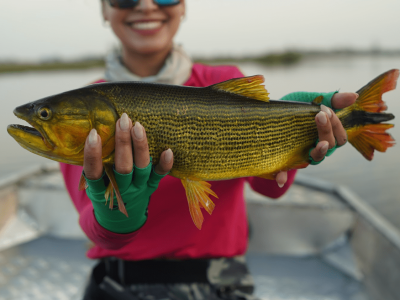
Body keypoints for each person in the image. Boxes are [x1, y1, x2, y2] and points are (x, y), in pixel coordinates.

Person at [60, 0, 358, 299]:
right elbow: (93, 225)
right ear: (103, 11)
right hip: (118, 284)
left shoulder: (223, 81)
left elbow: (271, 187)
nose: (146, 6)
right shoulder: (84, 108)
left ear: (184, 6)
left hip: (222, 282)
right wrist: (114, 219)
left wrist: (296, 132)